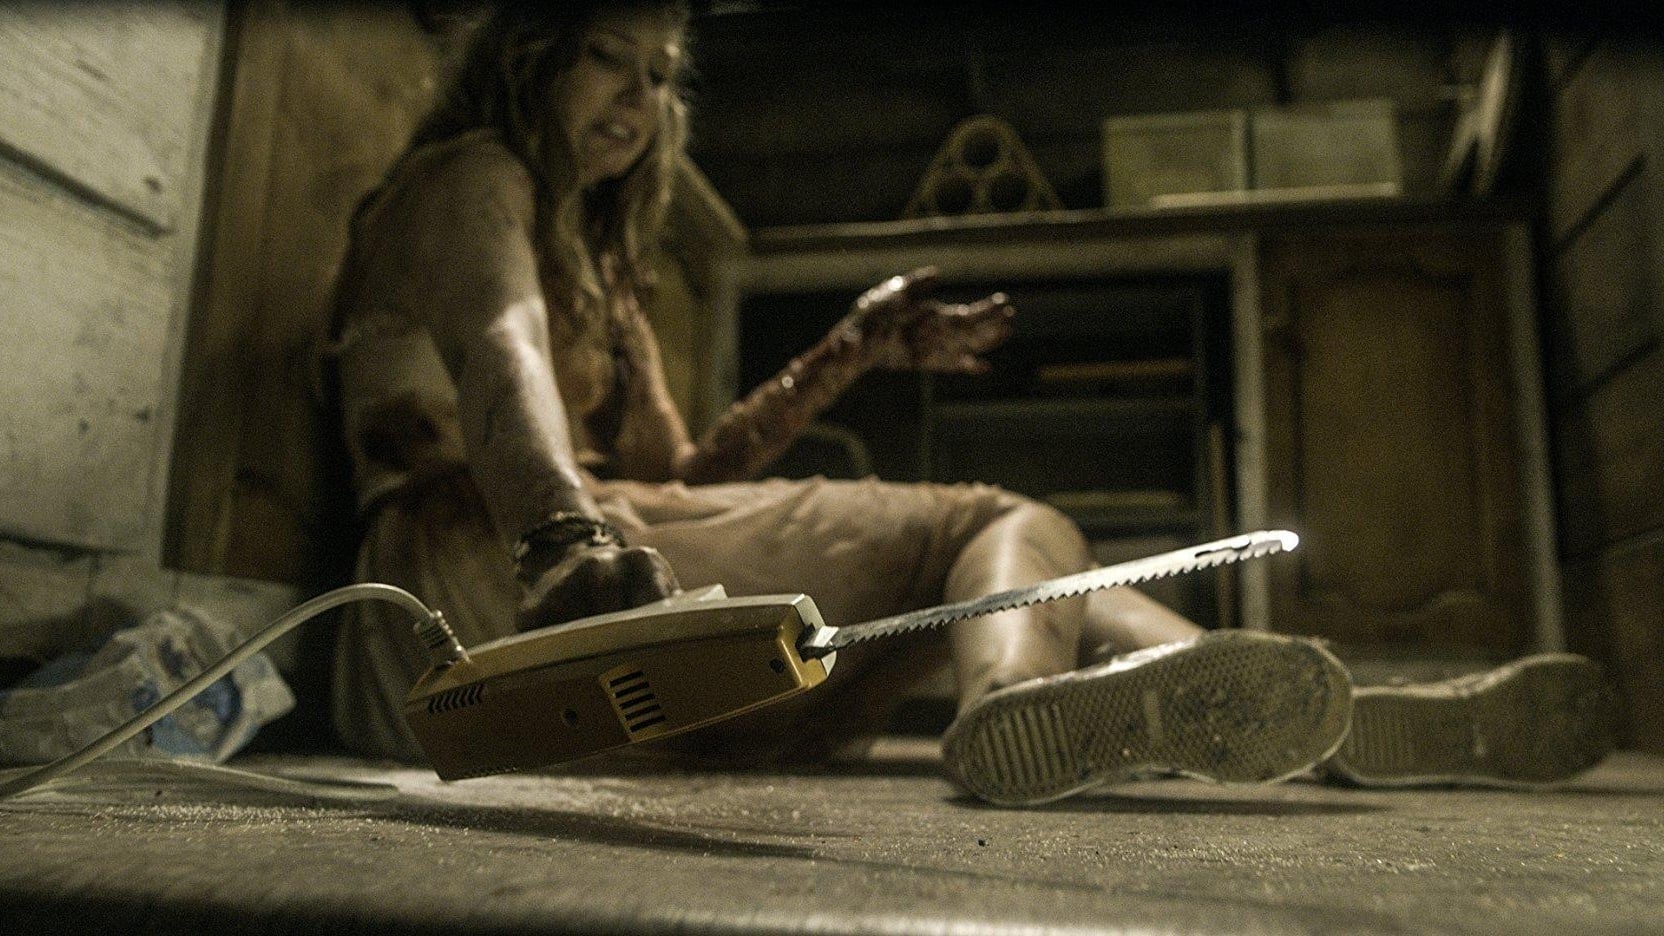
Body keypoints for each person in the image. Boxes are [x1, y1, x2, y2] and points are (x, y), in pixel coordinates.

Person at [325, 0, 1612, 804]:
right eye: (609, 58)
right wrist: (561, 536)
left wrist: (845, 354)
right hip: (469, 613)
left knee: (1028, 568)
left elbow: (684, 474)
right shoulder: (470, 176)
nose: (641, 101)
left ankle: (1315, 714)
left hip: (564, 609)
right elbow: (498, 353)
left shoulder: (605, 265)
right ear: (531, 53)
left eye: (662, 75)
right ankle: (1014, 709)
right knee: (989, 525)